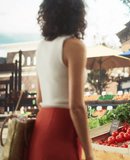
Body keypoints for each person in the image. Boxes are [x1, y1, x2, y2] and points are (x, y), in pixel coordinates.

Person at [28, 0, 94, 160]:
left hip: (41, 128)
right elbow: (76, 106)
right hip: (62, 130)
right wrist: (90, 154)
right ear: (76, 14)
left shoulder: (41, 46)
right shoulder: (74, 46)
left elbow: (40, 98)